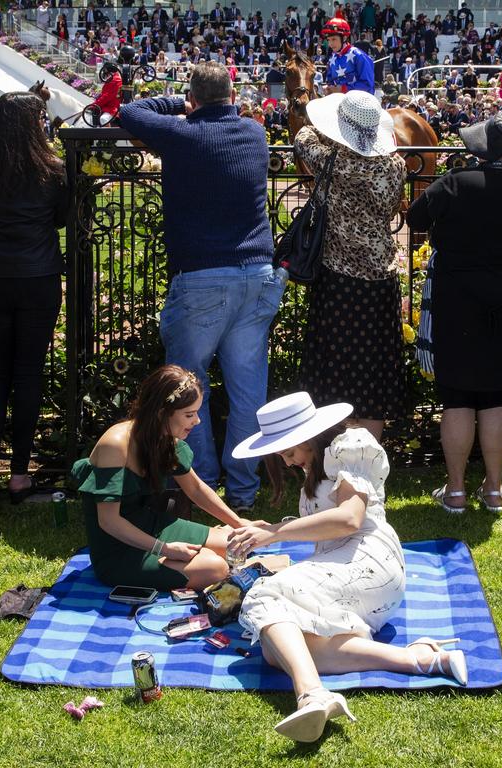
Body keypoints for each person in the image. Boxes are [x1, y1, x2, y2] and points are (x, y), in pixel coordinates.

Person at [228, 392, 467, 743]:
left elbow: (349, 519)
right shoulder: (317, 463)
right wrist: (274, 526)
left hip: (370, 561)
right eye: (279, 452)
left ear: (307, 434)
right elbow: (327, 523)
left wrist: (274, 533)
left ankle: (311, 694)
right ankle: (419, 658)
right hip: (342, 567)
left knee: (263, 595)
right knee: (275, 648)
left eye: (287, 449)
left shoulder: (349, 445)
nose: (285, 459)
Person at [118, 61, 284, 514]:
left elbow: (129, 111)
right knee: (248, 389)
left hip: (202, 279)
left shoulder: (183, 133)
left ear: (194, 98)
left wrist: (177, 106)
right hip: (256, 275)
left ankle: (202, 485)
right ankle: (244, 493)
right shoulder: (254, 134)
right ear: (232, 95)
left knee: (189, 391)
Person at [407, 112, 502, 514]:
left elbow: (415, 217)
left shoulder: (454, 183)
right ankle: (495, 490)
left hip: (457, 294)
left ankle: (455, 491)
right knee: (494, 396)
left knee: (457, 397)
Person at [0, 92, 69, 507]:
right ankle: (20, 473)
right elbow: (61, 218)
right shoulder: (52, 169)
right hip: (37, 277)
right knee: (28, 374)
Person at [72, 366, 253, 590]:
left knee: (237, 546)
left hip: (153, 525)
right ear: (161, 413)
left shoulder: (165, 438)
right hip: (118, 549)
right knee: (216, 569)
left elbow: (195, 489)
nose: (197, 421)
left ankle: (214, 541)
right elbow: (109, 521)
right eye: (189, 414)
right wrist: (164, 548)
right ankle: (200, 555)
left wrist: (240, 525)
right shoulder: (116, 445)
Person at [294, 92, 407, 440]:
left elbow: (302, 136)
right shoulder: (396, 167)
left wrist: (324, 129)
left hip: (338, 280)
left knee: (333, 371)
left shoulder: (331, 162)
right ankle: (368, 458)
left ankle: (333, 451)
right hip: (380, 279)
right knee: (374, 373)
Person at [321, 17, 375, 94]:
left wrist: (343, 89)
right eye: (328, 40)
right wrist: (328, 88)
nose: (330, 44)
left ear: (345, 37)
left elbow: (368, 86)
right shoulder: (332, 58)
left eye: (334, 39)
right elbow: (330, 82)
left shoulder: (359, 56)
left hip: (359, 104)